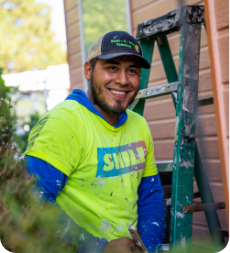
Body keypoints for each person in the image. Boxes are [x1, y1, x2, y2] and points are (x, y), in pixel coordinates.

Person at [25, 31, 166, 253]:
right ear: (88, 71)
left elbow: (150, 195)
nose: (123, 80)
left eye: (132, 71)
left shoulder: (139, 125)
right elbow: (32, 200)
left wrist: (146, 246)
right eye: (112, 67)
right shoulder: (65, 122)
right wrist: (99, 248)